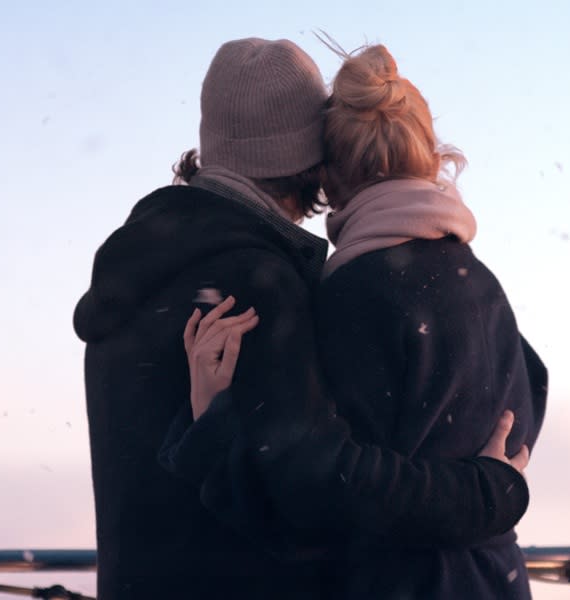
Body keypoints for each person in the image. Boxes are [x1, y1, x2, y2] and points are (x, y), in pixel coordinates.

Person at [73, 37, 531, 600]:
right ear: (313, 161)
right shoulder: (259, 284)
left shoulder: (140, 268)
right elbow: (319, 498)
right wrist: (488, 495)